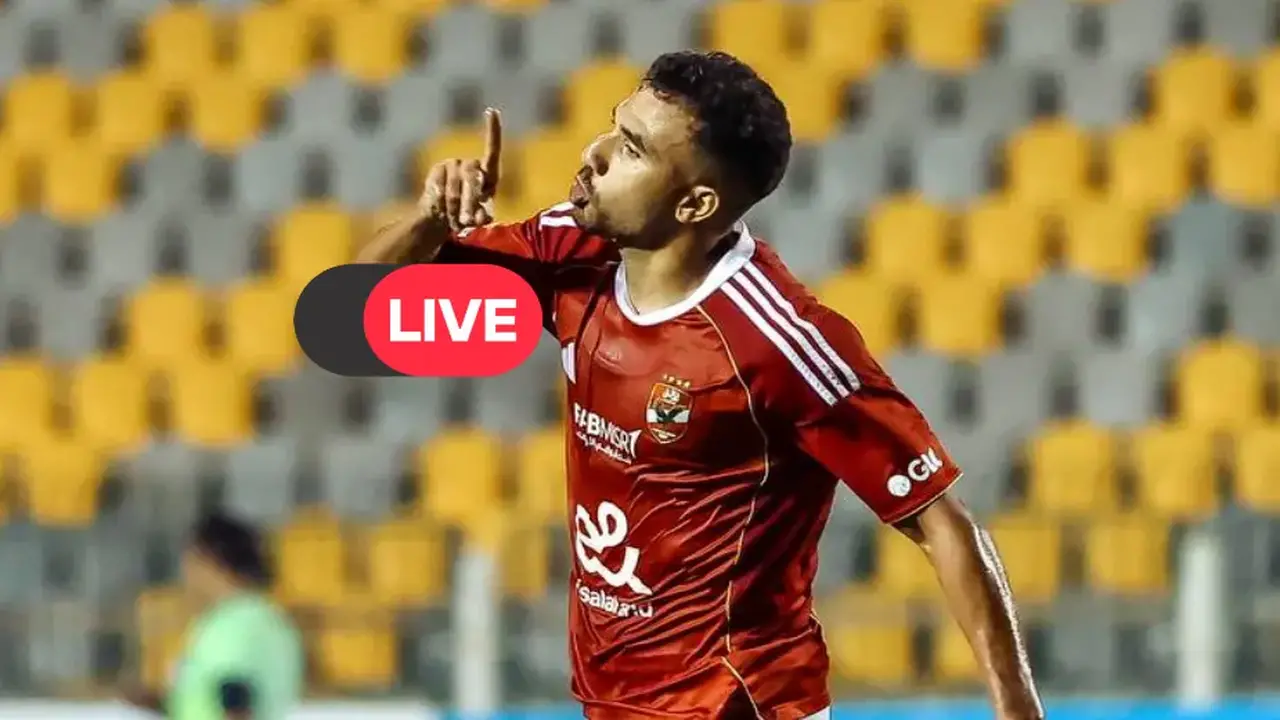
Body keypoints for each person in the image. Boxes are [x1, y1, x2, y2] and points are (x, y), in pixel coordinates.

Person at [361, 50, 1043, 720]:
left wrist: (1017, 709)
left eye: (632, 149)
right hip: (614, 698)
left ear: (696, 203)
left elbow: (941, 521)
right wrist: (430, 220)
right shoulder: (571, 252)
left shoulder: (779, 342)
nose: (595, 154)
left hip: (734, 702)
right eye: (613, 126)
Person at [124, 512, 303, 720]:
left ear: (211, 560)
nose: (186, 574)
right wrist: (161, 702)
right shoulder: (260, 617)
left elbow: (235, 697)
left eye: (191, 562)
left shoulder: (238, 622)